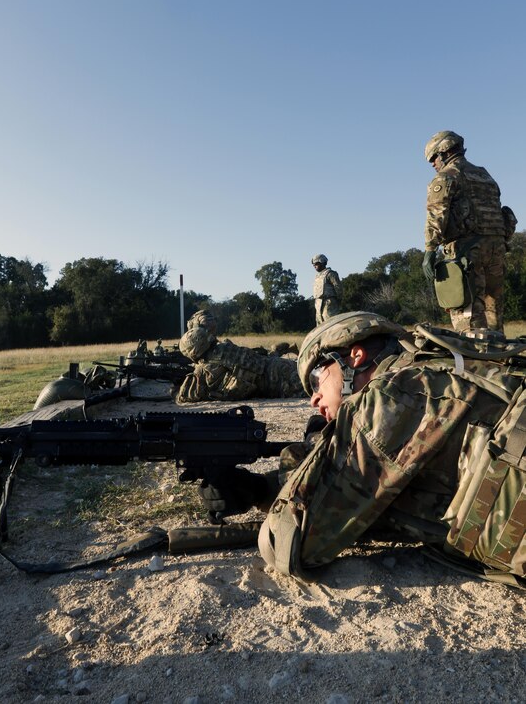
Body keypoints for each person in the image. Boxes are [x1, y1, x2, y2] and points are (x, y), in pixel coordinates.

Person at [197, 311, 526, 586]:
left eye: (316, 379)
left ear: (355, 356)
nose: (313, 399)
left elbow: (288, 547)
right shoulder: (439, 371)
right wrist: (279, 481)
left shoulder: (392, 396)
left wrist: (261, 488)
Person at [422, 130, 517, 332]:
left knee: (467, 315)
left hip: (467, 252)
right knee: (493, 315)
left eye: (433, 158)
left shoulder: (446, 177)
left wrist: (430, 250)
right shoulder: (485, 176)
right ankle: (498, 359)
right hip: (497, 250)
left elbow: (437, 215)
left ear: (444, 152)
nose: (432, 164)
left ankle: (474, 360)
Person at [176, 324, 304, 402]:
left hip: (280, 386)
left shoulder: (206, 371)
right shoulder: (226, 347)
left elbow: (183, 396)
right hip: (279, 365)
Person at [311, 254, 342, 325]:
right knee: (320, 327)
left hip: (329, 303)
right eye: (313, 265)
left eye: (316, 264)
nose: (314, 266)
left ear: (322, 262)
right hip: (318, 304)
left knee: (331, 324)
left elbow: (338, 288)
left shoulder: (330, 274)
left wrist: (338, 301)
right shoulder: (317, 276)